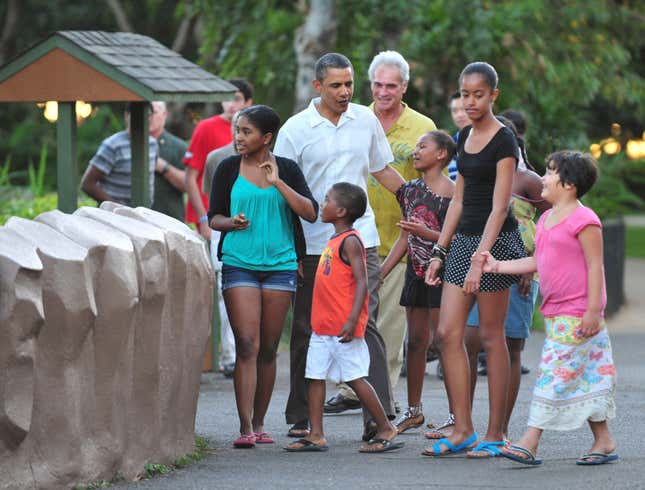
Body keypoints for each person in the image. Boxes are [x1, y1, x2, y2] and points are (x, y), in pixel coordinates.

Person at [274, 52, 405, 441]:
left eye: (349, 84)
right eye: (336, 85)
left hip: (360, 241)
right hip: (313, 245)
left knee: (367, 325)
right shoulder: (295, 129)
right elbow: (282, 191)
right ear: (318, 87)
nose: (345, 92)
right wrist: (292, 251)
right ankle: (302, 418)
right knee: (305, 328)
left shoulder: (365, 119)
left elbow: (381, 168)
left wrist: (420, 200)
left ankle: (379, 419)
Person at [481, 150, 618, 466]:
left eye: (550, 172)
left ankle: (530, 440)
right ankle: (604, 439)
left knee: (553, 373)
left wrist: (594, 311)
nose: (542, 177)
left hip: (579, 313)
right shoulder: (546, 218)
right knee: (586, 376)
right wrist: (498, 266)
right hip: (557, 313)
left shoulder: (585, 220)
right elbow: (539, 261)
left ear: (568, 184)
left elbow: (595, 266)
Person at [324, 50, 436, 416]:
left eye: (392, 85)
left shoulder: (422, 126)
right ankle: (349, 387)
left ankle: (381, 394)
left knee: (388, 326)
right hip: (350, 239)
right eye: (377, 84)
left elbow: (430, 184)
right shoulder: (353, 117)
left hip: (399, 239)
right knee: (350, 316)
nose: (384, 92)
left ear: (404, 87)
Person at [423, 61, 526, 457]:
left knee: (489, 336)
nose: (470, 101)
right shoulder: (463, 135)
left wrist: (480, 259)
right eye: (465, 94)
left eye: (478, 95)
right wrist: (439, 251)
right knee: (447, 333)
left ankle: (496, 434)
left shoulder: (505, 140)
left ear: (493, 95)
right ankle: (463, 427)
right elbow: (459, 200)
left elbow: (500, 207)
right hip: (463, 239)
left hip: (496, 243)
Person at [207, 105, 318, 448]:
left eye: (246, 132)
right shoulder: (227, 168)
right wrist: (232, 223)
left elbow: (310, 213)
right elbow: (214, 218)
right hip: (240, 261)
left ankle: (260, 421)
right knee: (247, 344)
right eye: (237, 131)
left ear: (267, 137)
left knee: (269, 348)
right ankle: (244, 428)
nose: (238, 138)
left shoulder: (287, 169)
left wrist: (278, 183)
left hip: (281, 265)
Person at [284, 183, 403, 453]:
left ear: (340, 211)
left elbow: (363, 282)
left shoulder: (350, 240)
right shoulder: (333, 240)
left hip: (342, 326)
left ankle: (385, 427)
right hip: (322, 327)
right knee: (314, 376)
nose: (322, 203)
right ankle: (316, 434)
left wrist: (352, 320)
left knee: (356, 377)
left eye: (326, 200)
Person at [464, 116, 551, 457]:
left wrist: (533, 263)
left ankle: (499, 427)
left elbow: (551, 218)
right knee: (468, 342)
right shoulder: (479, 177)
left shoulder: (528, 180)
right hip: (479, 265)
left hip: (518, 268)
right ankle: (464, 422)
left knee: (509, 345)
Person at [380, 130, 455, 434]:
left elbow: (456, 239)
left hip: (443, 271)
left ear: (441, 155)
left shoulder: (453, 194)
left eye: (423, 146)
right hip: (415, 270)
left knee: (443, 341)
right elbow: (405, 236)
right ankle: (413, 411)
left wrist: (428, 235)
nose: (416, 150)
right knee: (415, 342)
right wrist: (381, 273)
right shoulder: (409, 190)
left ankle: (455, 413)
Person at [185, 78, 253, 239]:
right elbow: (190, 177)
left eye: (236, 99)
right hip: (211, 217)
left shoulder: (254, 133)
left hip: (241, 217)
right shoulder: (205, 127)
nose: (230, 104)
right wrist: (203, 218)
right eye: (226, 97)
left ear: (248, 102)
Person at [203, 111, 241, 378]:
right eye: (237, 127)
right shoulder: (216, 158)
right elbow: (211, 197)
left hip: (255, 227)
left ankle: (247, 349)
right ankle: (229, 354)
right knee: (224, 290)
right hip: (223, 225)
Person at [81, 102, 157, 206]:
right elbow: (87, 184)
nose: (142, 118)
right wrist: (116, 207)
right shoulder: (113, 145)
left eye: (147, 115)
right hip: (112, 217)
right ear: (126, 115)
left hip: (143, 216)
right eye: (136, 114)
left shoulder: (153, 144)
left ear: (151, 117)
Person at [148, 101, 188, 221]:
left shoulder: (178, 146)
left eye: (153, 112)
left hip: (170, 219)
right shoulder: (127, 143)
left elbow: (188, 185)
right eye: (146, 113)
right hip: (134, 220)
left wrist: (164, 167)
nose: (149, 117)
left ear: (164, 114)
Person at [446, 92, 470, 181]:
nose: (459, 115)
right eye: (454, 111)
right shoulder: (449, 145)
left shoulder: (489, 140)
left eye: (464, 109)